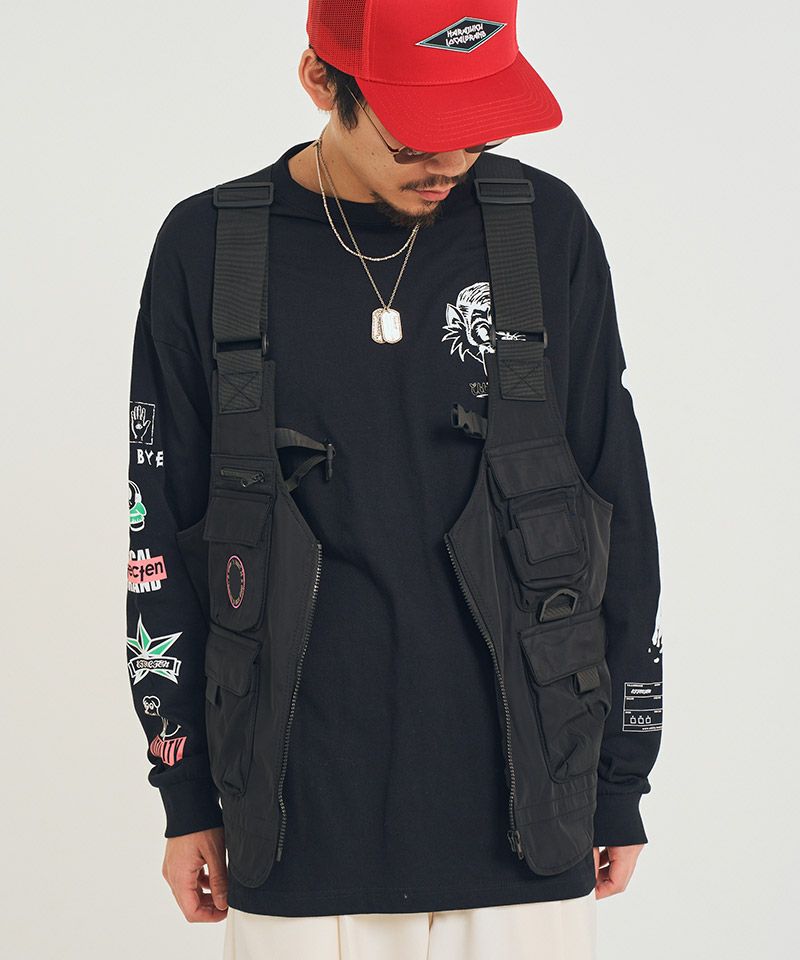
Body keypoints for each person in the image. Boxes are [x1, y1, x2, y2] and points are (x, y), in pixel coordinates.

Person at [125, 2, 663, 957]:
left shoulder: (546, 232)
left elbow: (615, 512)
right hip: (293, 820)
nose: (449, 160)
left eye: (478, 128)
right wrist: (185, 794)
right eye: (417, 130)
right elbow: (158, 534)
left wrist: (620, 780)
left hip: (530, 815)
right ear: (320, 81)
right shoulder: (208, 247)